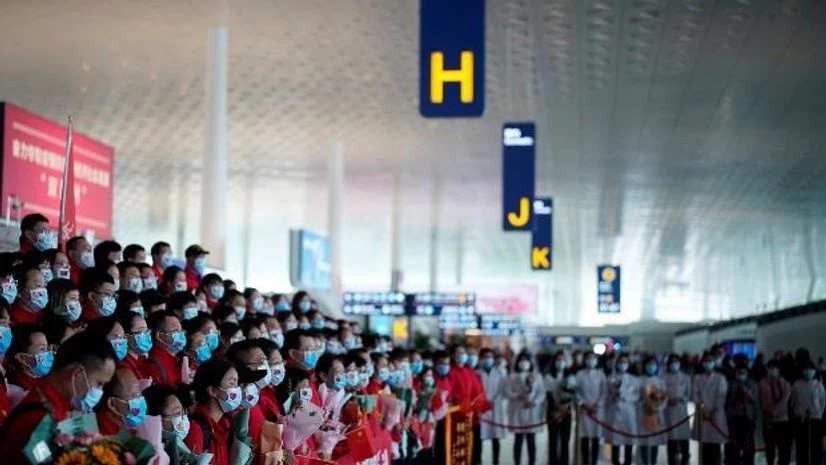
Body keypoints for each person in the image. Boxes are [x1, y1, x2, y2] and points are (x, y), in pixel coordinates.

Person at [0, 333, 117, 465]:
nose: (100, 392)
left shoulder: (54, 405)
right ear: (76, 374)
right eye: (99, 384)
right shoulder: (38, 419)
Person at [186, 358, 241, 465]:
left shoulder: (225, 424)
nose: (237, 389)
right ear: (212, 391)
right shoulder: (195, 429)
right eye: (231, 383)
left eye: (237, 383)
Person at [506, 353, 543, 465]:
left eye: (526, 360)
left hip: (532, 411)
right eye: (521, 360)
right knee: (518, 440)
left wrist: (534, 402)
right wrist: (518, 395)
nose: (523, 363)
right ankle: (517, 462)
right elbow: (507, 391)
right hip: (518, 410)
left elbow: (541, 393)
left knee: (531, 441)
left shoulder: (537, 376)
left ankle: (532, 462)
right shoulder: (512, 376)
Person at [693, 354, 729, 465]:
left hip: (716, 414)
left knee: (715, 445)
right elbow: (695, 394)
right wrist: (702, 408)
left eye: (710, 361)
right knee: (704, 445)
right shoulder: (697, 378)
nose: (708, 363)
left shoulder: (720, 378)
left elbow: (721, 396)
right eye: (706, 361)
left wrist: (713, 409)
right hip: (702, 414)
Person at [144, 384, 193, 465]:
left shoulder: (182, 449)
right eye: (174, 414)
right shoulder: (147, 453)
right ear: (155, 419)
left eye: (180, 412)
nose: (179, 420)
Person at [605, 354, 638, 465]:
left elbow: (637, 396)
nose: (622, 364)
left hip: (629, 411)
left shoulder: (634, 379)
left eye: (625, 362)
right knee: (615, 439)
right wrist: (613, 397)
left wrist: (625, 397)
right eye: (620, 362)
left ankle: (627, 462)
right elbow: (606, 395)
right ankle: (615, 461)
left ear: (628, 364)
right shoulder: (610, 378)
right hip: (614, 411)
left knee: (629, 440)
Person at [790, 360, 824, 465]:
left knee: (816, 446)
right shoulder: (796, 385)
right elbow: (793, 401)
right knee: (802, 446)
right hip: (801, 419)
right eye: (806, 369)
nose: (808, 371)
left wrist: (818, 414)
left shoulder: (818, 385)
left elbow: (823, 402)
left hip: (816, 419)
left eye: (811, 369)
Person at [95, 367, 147, 434]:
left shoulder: (127, 429)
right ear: (112, 404)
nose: (140, 400)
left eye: (139, 392)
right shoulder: (99, 435)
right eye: (134, 395)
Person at [576, 351, 606, 465]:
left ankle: (594, 461)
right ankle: (585, 461)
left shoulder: (600, 374)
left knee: (595, 437)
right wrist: (583, 404)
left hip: (597, 410)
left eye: (593, 358)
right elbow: (576, 391)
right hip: (584, 410)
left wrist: (596, 405)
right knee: (584, 436)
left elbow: (604, 391)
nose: (591, 360)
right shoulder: (579, 374)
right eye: (588, 358)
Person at [478, 348, 507, 465]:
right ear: (481, 359)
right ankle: (478, 460)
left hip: (496, 408)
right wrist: (483, 402)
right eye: (485, 357)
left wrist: (493, 401)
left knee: (496, 438)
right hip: (481, 407)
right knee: (479, 437)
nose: (488, 359)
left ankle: (496, 460)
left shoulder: (500, 373)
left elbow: (502, 390)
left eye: (490, 357)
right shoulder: (477, 373)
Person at [760, 359, 792, 465]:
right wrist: (770, 411)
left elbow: (785, 399)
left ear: (779, 369)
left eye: (774, 368)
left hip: (783, 419)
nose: (771, 370)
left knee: (784, 447)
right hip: (768, 419)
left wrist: (775, 411)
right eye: (769, 368)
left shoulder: (785, 383)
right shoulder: (763, 383)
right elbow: (764, 400)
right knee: (770, 447)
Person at [545, 351, 575, 465]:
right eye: (558, 360)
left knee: (565, 439)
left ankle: (564, 461)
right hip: (552, 411)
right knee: (553, 439)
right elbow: (547, 393)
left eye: (562, 360)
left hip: (566, 411)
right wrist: (556, 406)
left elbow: (572, 393)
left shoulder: (570, 377)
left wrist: (565, 405)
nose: (560, 362)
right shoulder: (548, 376)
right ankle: (553, 461)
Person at [639, 356, 668, 465]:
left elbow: (665, 398)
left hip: (656, 414)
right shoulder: (639, 380)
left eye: (653, 365)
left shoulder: (660, 381)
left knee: (655, 440)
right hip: (643, 413)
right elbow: (636, 396)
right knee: (644, 440)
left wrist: (657, 408)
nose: (651, 367)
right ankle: (645, 462)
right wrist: (645, 406)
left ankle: (653, 462)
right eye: (649, 365)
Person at [144, 310, 185, 386]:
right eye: (175, 331)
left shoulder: (176, 358)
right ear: (158, 335)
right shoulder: (155, 364)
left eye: (181, 330)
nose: (181, 335)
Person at [664, 354, 692, 465]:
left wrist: (681, 399)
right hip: (669, 412)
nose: (674, 365)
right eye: (672, 362)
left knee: (684, 442)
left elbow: (689, 394)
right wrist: (668, 400)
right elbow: (660, 393)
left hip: (681, 411)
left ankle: (685, 462)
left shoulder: (685, 378)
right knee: (671, 444)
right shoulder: (663, 378)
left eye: (676, 362)